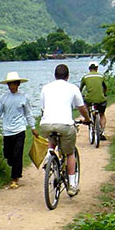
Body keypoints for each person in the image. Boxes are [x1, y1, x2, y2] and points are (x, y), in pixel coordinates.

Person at [39, 64, 91, 196]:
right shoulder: (73, 88)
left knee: (52, 137)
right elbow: (81, 107)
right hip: (65, 125)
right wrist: (87, 118)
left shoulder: (46, 88)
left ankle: (49, 155)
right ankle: (72, 185)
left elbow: (43, 108)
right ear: (68, 76)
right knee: (69, 153)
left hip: (46, 124)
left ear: (55, 76)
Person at [0, 71, 39, 189]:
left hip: (20, 130)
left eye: (14, 84)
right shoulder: (4, 98)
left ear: (18, 84)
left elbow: (28, 114)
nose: (12, 86)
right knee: (8, 155)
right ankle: (13, 168)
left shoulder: (23, 98)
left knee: (17, 154)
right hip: (7, 131)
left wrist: (33, 128)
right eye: (10, 84)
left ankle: (15, 178)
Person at [80, 61, 108, 139]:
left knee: (85, 104)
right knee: (102, 114)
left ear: (89, 69)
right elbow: (105, 87)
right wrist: (104, 94)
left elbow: (81, 88)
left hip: (89, 99)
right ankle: (102, 131)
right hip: (101, 99)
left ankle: (88, 118)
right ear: (97, 68)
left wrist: (80, 95)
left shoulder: (85, 77)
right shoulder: (101, 76)